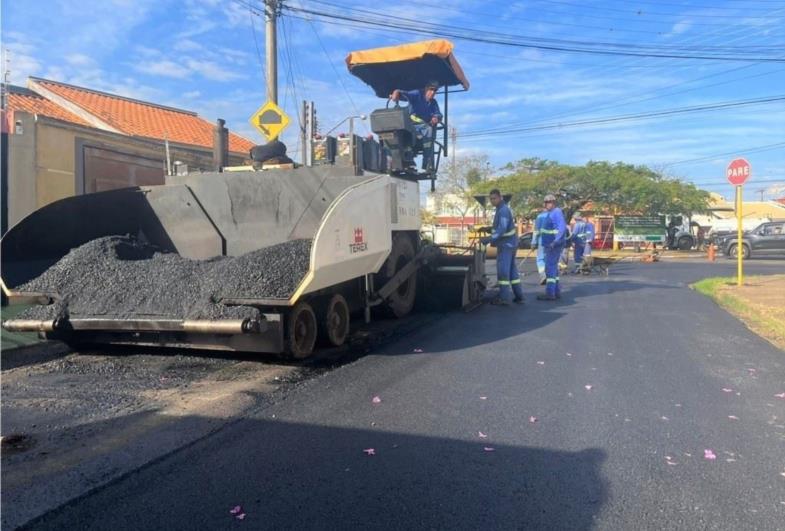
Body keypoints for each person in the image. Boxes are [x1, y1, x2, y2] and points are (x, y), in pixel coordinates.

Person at [480, 189, 525, 305]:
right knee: (512, 272)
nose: (492, 201)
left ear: (500, 197)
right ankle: (519, 296)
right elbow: (499, 227)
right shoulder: (501, 209)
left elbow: (502, 229)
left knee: (503, 272)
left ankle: (504, 298)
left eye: (494, 198)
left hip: (506, 245)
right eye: (490, 199)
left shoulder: (503, 210)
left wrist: (488, 239)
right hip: (510, 244)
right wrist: (487, 229)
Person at [390, 81, 442, 171]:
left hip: (424, 126)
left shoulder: (433, 103)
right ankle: (408, 158)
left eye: (435, 91)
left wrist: (436, 118)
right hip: (411, 122)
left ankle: (426, 163)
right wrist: (396, 93)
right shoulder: (417, 94)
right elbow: (403, 93)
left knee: (428, 131)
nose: (433, 92)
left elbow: (439, 114)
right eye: (431, 89)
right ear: (426, 89)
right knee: (417, 131)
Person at [537, 194, 567, 301]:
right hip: (550, 245)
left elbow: (562, 228)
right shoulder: (551, 213)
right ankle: (556, 291)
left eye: (548, 202)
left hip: (553, 245)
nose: (546, 204)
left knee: (549, 268)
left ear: (553, 203)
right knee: (553, 268)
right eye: (545, 202)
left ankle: (550, 293)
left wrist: (555, 241)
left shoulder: (557, 212)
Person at [531, 210, 549, 285]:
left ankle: (543, 275)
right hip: (553, 241)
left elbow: (536, 231)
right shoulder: (554, 215)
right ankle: (550, 277)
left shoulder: (540, 217)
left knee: (540, 259)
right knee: (549, 259)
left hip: (542, 240)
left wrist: (533, 243)